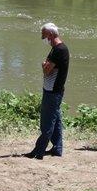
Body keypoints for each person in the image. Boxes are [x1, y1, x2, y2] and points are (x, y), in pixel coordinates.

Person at [27, 23, 70, 159]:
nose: (43, 38)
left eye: (44, 35)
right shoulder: (56, 48)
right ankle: (57, 149)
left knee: (47, 121)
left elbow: (47, 70)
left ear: (51, 35)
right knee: (56, 119)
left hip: (53, 91)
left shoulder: (59, 50)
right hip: (52, 89)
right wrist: (46, 65)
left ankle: (39, 151)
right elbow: (48, 67)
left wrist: (43, 66)